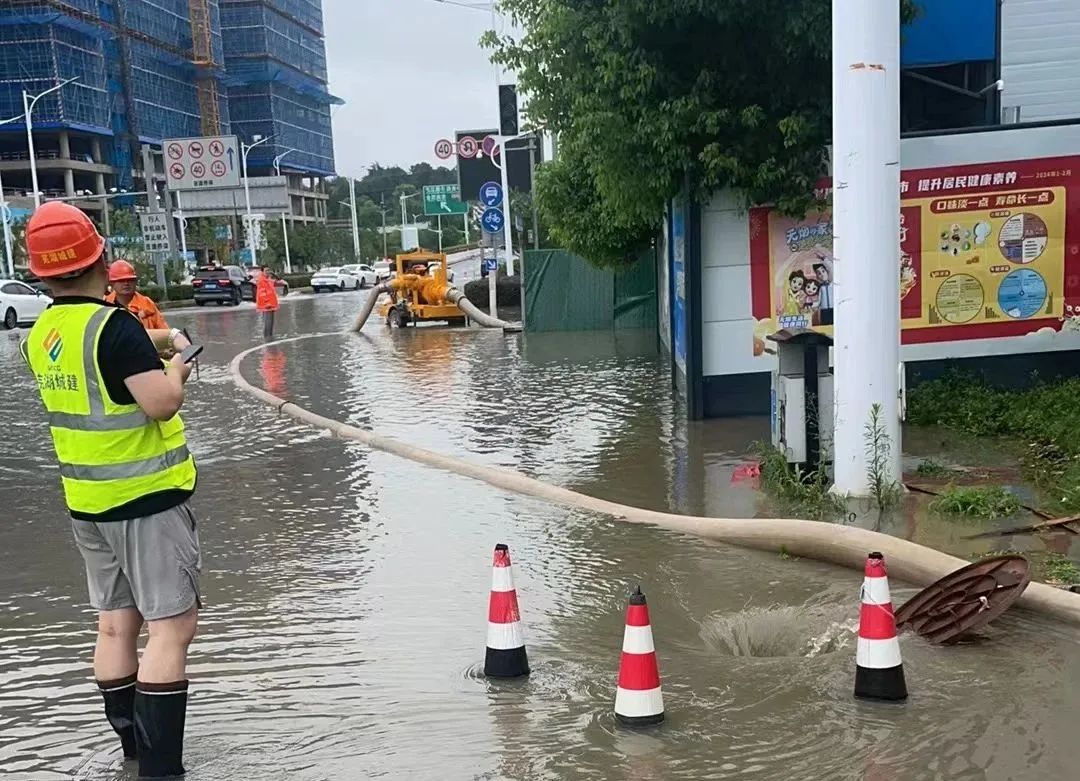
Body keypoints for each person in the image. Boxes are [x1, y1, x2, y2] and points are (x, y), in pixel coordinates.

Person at [20, 202, 199, 778]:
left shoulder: (42, 330)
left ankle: (130, 753)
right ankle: (161, 769)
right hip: (145, 500)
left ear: (41, 272)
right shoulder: (114, 327)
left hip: (87, 502)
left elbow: (101, 361)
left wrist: (157, 342)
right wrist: (177, 370)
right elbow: (160, 402)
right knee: (170, 628)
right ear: (100, 258)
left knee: (115, 623)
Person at [105, 259, 170, 331]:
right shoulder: (105, 305)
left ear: (135, 282)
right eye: (121, 280)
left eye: (130, 279)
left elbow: (165, 333)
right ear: (112, 283)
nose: (126, 283)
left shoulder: (146, 304)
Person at [255, 266, 279, 338]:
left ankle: (270, 337)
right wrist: (267, 303)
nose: (268, 272)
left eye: (269, 270)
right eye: (266, 270)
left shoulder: (268, 279)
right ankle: (267, 338)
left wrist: (274, 275)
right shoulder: (261, 280)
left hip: (271, 304)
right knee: (268, 323)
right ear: (262, 272)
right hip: (266, 305)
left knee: (271, 322)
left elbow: (277, 281)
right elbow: (262, 293)